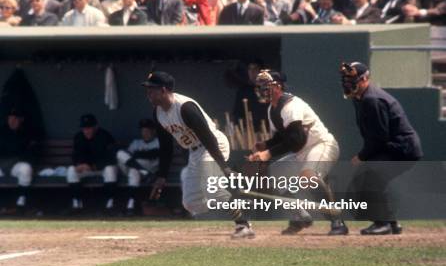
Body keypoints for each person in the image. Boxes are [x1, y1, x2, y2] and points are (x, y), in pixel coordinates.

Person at [143, 71, 255, 238]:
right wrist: (162, 176)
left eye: (152, 89)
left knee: (213, 190)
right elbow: (166, 147)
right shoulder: (158, 113)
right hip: (195, 152)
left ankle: (243, 224)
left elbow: (208, 137)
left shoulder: (185, 107)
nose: (148, 93)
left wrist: (224, 167)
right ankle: (235, 203)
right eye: (148, 89)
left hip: (213, 145)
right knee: (191, 202)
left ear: (164, 90)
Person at [248, 70, 347, 235]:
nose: (262, 89)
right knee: (275, 172)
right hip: (302, 151)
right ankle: (300, 216)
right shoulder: (272, 108)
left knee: (308, 177)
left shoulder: (290, 106)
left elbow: (296, 140)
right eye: (260, 86)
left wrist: (268, 153)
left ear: (278, 86)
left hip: (321, 145)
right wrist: (265, 145)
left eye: (266, 85)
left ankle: (337, 221)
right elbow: (283, 137)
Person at [340, 62, 423, 235]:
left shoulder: (372, 100)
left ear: (364, 79)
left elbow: (380, 137)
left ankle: (383, 223)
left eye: (352, 79)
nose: (348, 83)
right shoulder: (359, 97)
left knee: (371, 178)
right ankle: (391, 222)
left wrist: (362, 156)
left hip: (402, 149)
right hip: (390, 148)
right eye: (346, 79)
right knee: (367, 179)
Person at [66, 113, 118, 214]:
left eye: (89, 128)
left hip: (102, 168)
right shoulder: (79, 137)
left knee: (110, 169)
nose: (86, 130)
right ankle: (76, 204)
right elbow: (76, 155)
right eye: (84, 128)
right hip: (87, 168)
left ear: (96, 126)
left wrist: (94, 166)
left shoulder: (105, 136)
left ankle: (110, 205)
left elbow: (111, 157)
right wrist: (79, 164)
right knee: (71, 170)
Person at [116, 119, 160, 215]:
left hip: (151, 169)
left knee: (133, 170)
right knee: (120, 154)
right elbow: (128, 156)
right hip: (144, 173)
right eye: (143, 131)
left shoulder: (158, 141)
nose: (145, 133)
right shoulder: (136, 142)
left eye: (147, 131)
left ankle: (130, 206)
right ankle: (143, 172)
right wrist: (139, 155)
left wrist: (138, 154)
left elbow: (153, 154)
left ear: (153, 131)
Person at [0, 107, 39, 214]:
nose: (12, 121)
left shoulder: (26, 132)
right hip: (2, 164)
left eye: (15, 118)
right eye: (10, 118)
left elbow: (31, 152)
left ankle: (21, 203)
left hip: (16, 164)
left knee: (26, 169)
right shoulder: (2, 131)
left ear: (20, 120)